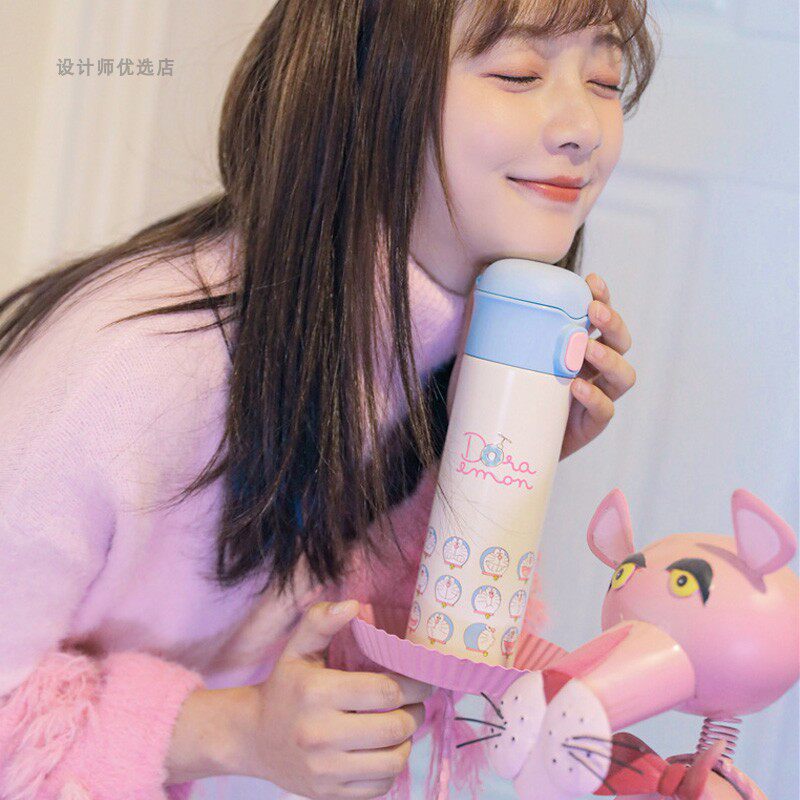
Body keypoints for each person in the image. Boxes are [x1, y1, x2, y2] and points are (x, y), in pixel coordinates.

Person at [0, 1, 656, 798]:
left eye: (604, 78)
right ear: (361, 90)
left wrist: (483, 468)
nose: (584, 127)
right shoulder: (133, 366)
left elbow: (377, 669)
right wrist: (231, 729)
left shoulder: (438, 357)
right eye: (519, 72)